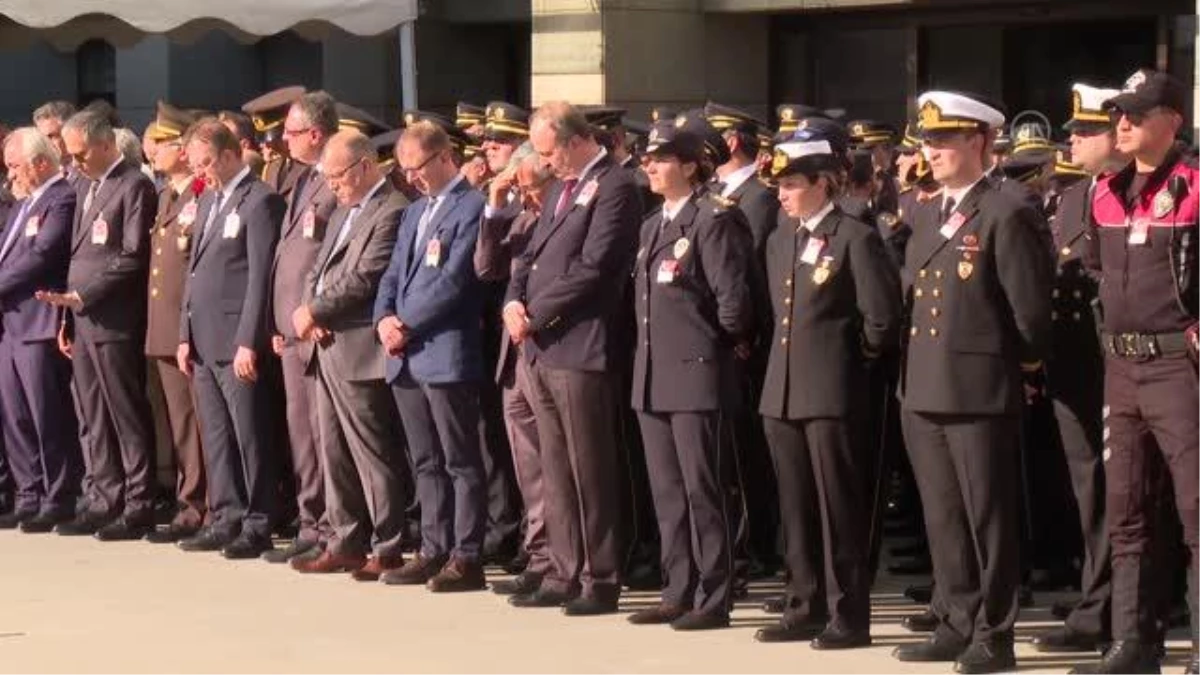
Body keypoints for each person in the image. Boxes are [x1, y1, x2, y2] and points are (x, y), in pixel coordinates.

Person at [893, 91, 1052, 674]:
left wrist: (1026, 367)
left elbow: (1030, 310)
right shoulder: (928, 210)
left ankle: (995, 632)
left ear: (980, 142)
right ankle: (955, 619)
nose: (930, 152)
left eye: (944, 141)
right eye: (927, 142)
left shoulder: (1008, 208)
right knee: (944, 516)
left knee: (988, 517)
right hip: (925, 385)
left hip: (978, 386)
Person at [1069, 69, 1200, 675]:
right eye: (1119, 112)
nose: (1122, 123)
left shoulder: (1196, 183)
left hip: (1180, 366)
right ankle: (1134, 642)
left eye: (1137, 113)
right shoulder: (1102, 191)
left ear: (1173, 119)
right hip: (1122, 367)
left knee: (1196, 509)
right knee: (1126, 510)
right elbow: (1097, 270)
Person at [754, 120, 902, 648]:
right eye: (780, 183)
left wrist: (848, 363)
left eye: (792, 183)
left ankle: (848, 614)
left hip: (832, 392)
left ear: (822, 182)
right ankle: (804, 603)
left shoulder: (855, 236)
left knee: (839, 508)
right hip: (784, 392)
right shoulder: (779, 240)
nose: (783, 193)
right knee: (795, 507)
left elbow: (880, 320)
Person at [502, 101, 641, 615]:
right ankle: (565, 569)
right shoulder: (562, 187)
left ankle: (600, 577)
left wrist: (534, 312)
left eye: (548, 152)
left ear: (575, 140)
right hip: (541, 346)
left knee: (589, 468)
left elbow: (596, 268)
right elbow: (531, 254)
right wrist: (514, 301)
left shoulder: (615, 186)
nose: (544, 163)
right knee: (555, 467)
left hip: (581, 343)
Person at [625, 118, 753, 631]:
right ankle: (677, 588)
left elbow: (734, 305)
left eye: (660, 159)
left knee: (705, 490)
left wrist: (711, 352)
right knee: (668, 493)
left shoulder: (713, 219)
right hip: (653, 376)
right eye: (648, 159)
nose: (650, 167)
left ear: (687, 164)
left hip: (697, 374)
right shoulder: (652, 223)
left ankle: (714, 593)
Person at [372, 120, 489, 592]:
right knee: (424, 460)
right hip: (405, 354)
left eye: (417, 167)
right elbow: (392, 274)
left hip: (443, 349)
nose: (411, 177)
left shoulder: (472, 206)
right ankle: (433, 547)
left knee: (460, 458)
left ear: (444, 158)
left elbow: (455, 280)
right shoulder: (415, 211)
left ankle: (467, 554)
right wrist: (383, 317)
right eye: (404, 170)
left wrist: (406, 324)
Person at [1027, 82, 1122, 656]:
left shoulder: (1136, 192)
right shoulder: (1071, 197)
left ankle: (1118, 602)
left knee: (1124, 492)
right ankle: (1100, 593)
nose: (1074, 139)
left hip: (1119, 361)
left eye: (1087, 130)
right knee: (1089, 488)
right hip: (1075, 361)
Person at [289, 130, 410, 580]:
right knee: (331, 447)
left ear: (362, 167)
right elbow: (317, 268)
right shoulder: (344, 211)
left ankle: (388, 542)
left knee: (370, 450)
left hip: (359, 345)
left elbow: (366, 276)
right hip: (326, 341)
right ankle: (345, 540)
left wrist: (315, 309)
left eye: (337, 176)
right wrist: (309, 309)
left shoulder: (391, 210)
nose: (332, 186)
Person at [41, 109, 158, 541]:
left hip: (114, 318)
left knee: (124, 412)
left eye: (79, 153)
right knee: (92, 414)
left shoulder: (134, 185)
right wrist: (67, 313)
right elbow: (75, 254)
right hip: (83, 317)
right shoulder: (84, 184)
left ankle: (138, 502)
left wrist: (86, 295)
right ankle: (104, 498)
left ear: (105, 144)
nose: (73, 162)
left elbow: (132, 255)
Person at [176, 119, 285, 559]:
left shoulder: (259, 201)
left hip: (235, 337)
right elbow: (195, 271)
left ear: (227, 155)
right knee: (217, 434)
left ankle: (258, 520)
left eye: (206, 163)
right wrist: (184, 332)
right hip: (202, 336)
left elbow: (260, 277)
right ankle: (225, 514)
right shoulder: (208, 200)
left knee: (250, 433)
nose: (201, 172)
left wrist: (248, 339)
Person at [263, 91, 342, 565]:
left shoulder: (335, 180)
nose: (282, 140)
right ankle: (311, 520)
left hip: (317, 327)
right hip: (290, 329)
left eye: (290, 132)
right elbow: (287, 254)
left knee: (322, 433)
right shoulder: (299, 178)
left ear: (316, 133)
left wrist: (314, 312)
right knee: (301, 432)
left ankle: (333, 525)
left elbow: (330, 256)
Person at [475, 144, 554, 595]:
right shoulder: (521, 216)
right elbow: (487, 268)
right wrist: (496, 202)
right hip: (515, 354)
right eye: (518, 187)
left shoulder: (560, 215)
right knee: (529, 465)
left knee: (555, 465)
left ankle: (557, 558)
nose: (526, 196)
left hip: (547, 347)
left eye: (529, 187)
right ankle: (540, 553)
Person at [0, 128, 83, 532]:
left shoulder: (61, 197)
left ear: (41, 162)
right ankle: (28, 492)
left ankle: (59, 493)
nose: (11, 174)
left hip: (37, 320)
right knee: (15, 415)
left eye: (16, 166)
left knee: (46, 413)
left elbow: (41, 256)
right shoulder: (22, 205)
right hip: (10, 324)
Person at [142, 102, 208, 544]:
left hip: (189, 326)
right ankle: (190, 501)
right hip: (163, 324)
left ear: (183, 149)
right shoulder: (168, 193)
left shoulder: (199, 192)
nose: (154, 151)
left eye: (163, 143)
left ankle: (201, 504)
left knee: (195, 422)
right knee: (178, 422)